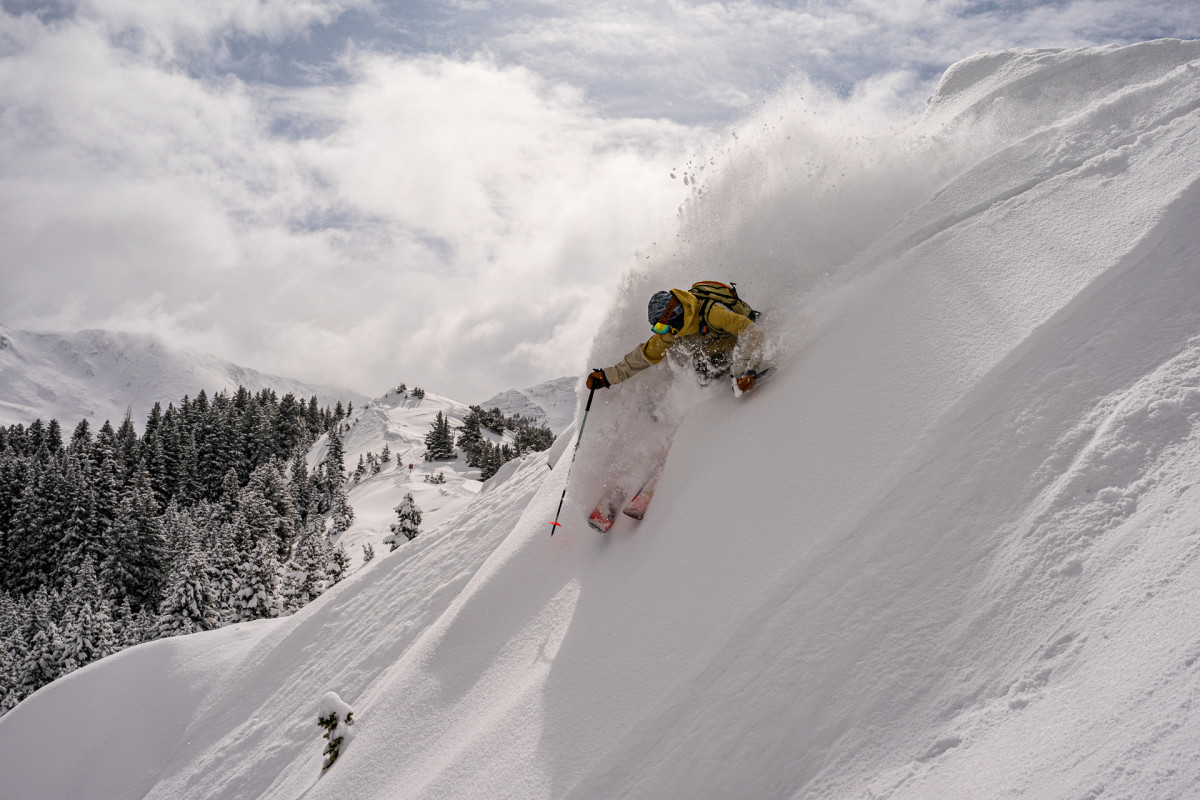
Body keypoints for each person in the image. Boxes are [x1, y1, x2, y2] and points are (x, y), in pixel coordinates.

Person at [586, 285, 767, 395]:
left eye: (661, 326)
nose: (663, 332)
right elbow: (644, 357)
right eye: (658, 328)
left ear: (673, 314)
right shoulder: (672, 331)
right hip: (712, 353)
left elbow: (752, 331)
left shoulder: (712, 312)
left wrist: (743, 370)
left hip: (737, 347)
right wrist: (607, 376)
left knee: (701, 366)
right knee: (677, 358)